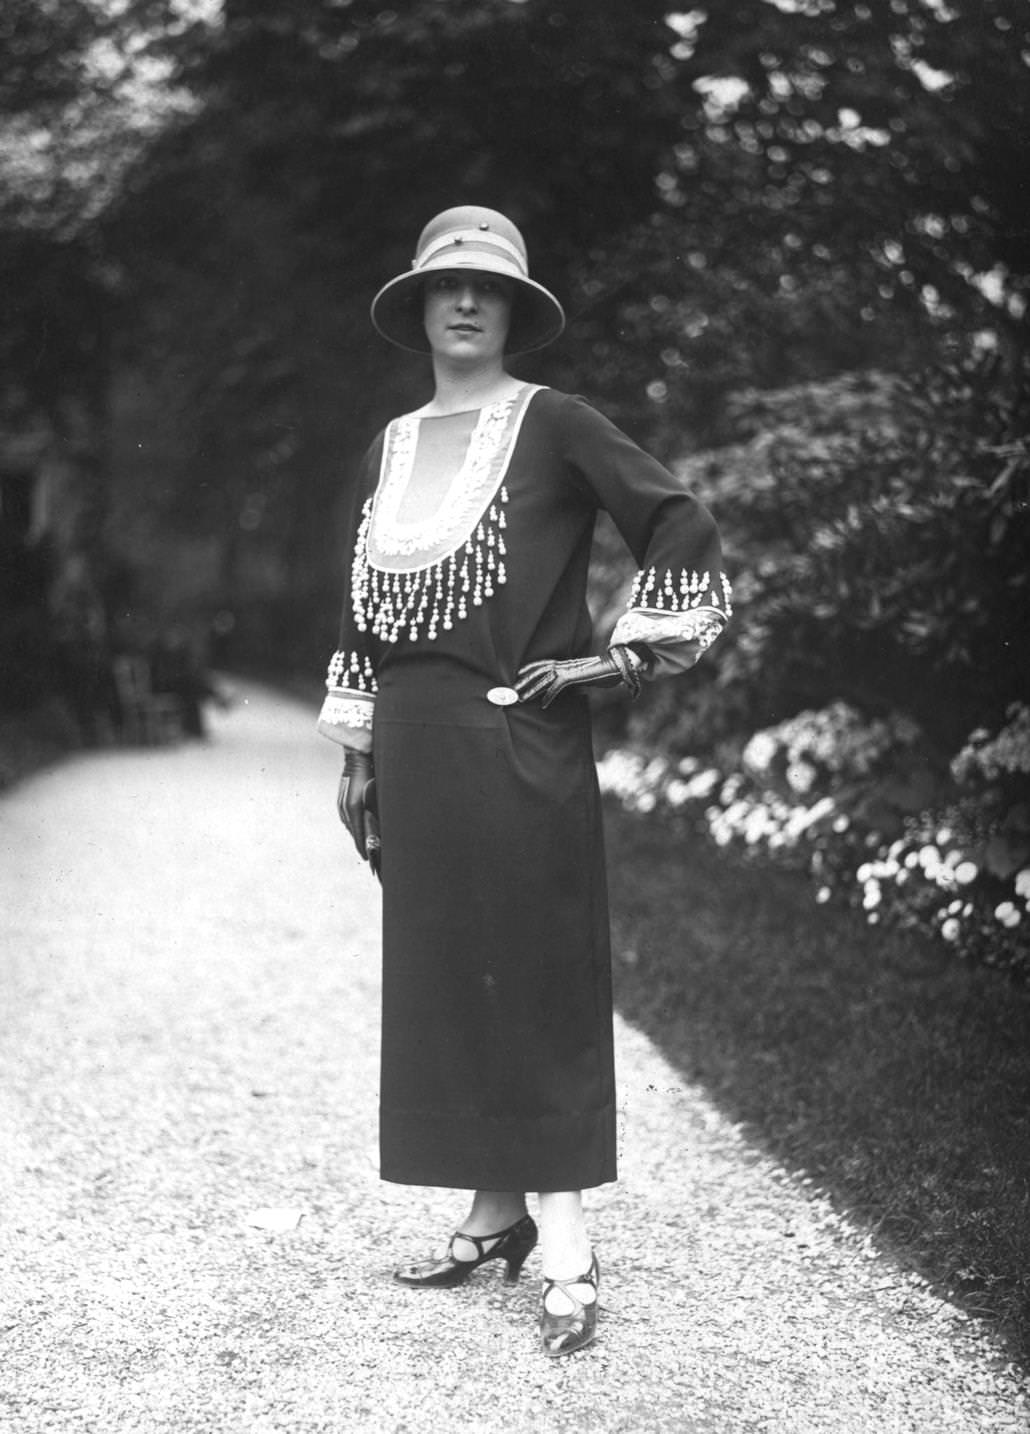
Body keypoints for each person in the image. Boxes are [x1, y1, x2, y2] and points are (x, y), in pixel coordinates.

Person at [318, 207, 731, 1356]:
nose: (464, 303)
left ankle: (564, 1235)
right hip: (412, 745)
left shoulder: (554, 424)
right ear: (417, 308)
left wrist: (616, 653)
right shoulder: (389, 446)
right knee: (450, 968)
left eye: (486, 290)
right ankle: (493, 1210)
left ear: (511, 311)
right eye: (445, 286)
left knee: (536, 966)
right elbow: (361, 612)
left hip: (518, 736)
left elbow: (678, 521)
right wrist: (358, 752)